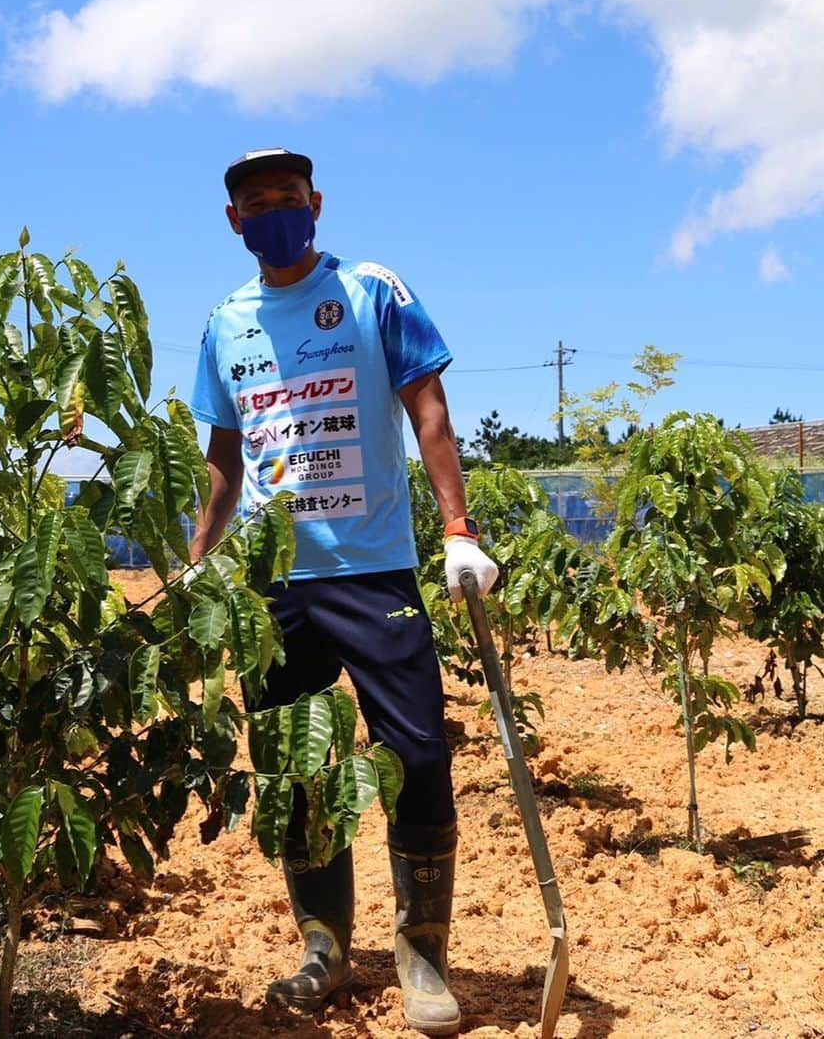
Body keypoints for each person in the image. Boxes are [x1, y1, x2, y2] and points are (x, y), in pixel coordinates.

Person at [189, 148, 499, 1037]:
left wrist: (457, 528)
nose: (274, 209)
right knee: (294, 768)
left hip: (372, 571)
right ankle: (323, 947)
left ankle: (423, 953)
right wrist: (201, 557)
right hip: (276, 584)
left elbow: (427, 408)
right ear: (234, 220)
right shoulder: (225, 322)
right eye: (257, 201)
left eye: (288, 196)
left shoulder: (373, 291)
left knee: (421, 757)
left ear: (316, 202)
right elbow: (222, 456)